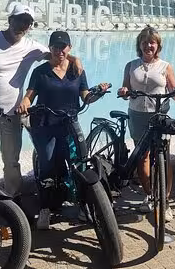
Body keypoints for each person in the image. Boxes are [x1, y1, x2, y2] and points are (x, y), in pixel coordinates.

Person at [0, 4, 81, 200]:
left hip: (12, 115)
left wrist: (75, 59)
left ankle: (11, 204)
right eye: (19, 19)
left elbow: (56, 55)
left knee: (12, 162)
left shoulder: (31, 47)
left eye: (27, 22)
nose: (23, 25)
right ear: (10, 20)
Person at [18, 30, 110, 230]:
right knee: (47, 165)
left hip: (70, 124)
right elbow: (29, 95)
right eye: (55, 47)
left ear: (70, 48)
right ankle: (45, 209)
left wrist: (98, 93)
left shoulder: (77, 70)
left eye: (63, 46)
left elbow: (85, 96)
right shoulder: (40, 71)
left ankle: (83, 205)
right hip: (46, 125)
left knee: (80, 164)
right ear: (50, 48)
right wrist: (24, 103)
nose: (60, 50)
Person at [117, 26, 175, 222]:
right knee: (143, 158)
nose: (148, 45)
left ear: (158, 45)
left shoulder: (166, 66)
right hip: (137, 115)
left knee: (164, 157)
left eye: (152, 42)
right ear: (139, 45)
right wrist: (123, 91)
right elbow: (125, 89)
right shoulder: (131, 65)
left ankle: (165, 202)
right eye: (144, 42)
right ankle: (149, 195)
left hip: (159, 117)